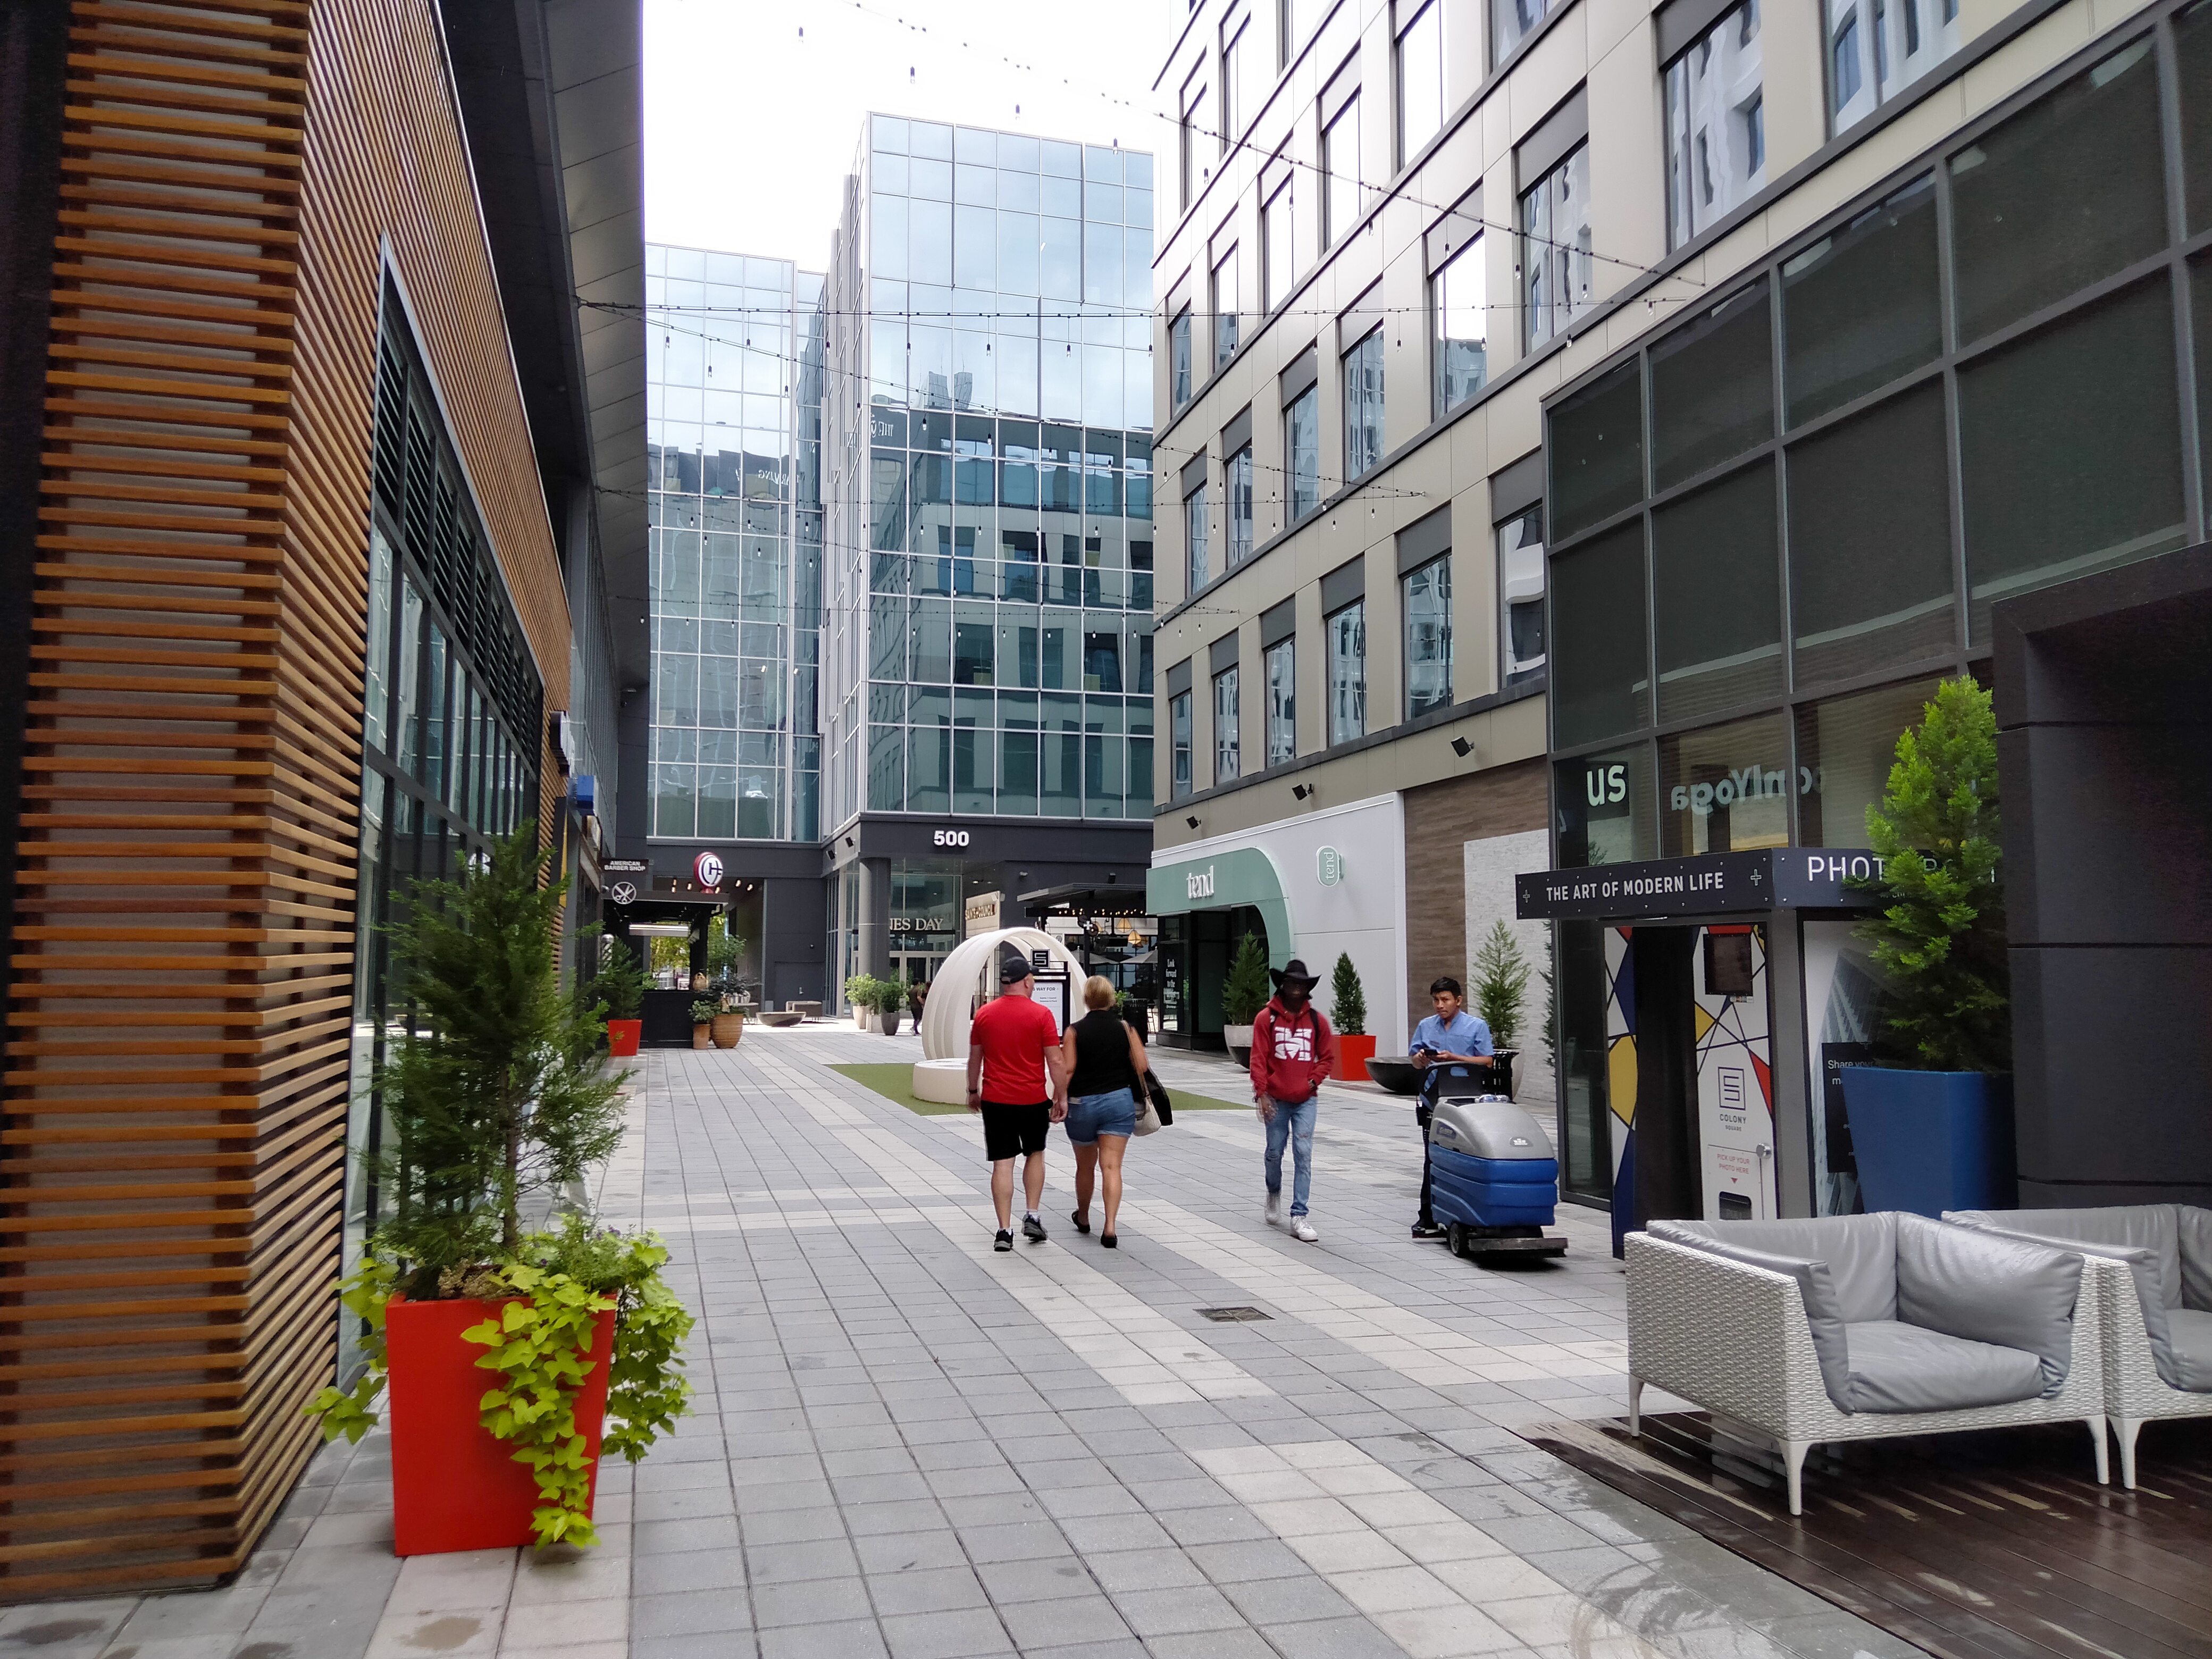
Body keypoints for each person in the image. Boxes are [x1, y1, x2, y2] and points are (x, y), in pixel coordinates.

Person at [967, 957, 1067, 1251]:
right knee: (1035, 1154)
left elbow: (975, 1058)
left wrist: (973, 1090)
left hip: (996, 1100)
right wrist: (1061, 1096)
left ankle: (1004, 1231)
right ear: (1026, 981)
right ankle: (1032, 1215)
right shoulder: (1042, 1015)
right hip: (1032, 1099)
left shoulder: (984, 1014)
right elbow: (1056, 1060)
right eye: (1032, 979)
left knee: (1002, 1163)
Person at [1058, 976, 1151, 1248]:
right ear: (1111, 999)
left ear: (1087, 999)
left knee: (1085, 1166)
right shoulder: (1126, 1028)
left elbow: (1068, 1070)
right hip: (1118, 1102)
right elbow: (1142, 1066)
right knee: (1112, 1167)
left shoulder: (1074, 1031)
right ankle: (1110, 1227)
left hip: (1082, 1104)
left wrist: (1057, 1098)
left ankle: (1084, 1216)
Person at [1249, 957, 1336, 1243]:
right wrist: (1261, 1093)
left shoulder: (1317, 1021)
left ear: (1308, 988)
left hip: (1305, 1100)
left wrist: (1313, 1081)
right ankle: (1273, 1191)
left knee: (1303, 1152)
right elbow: (1258, 1058)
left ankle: (1299, 1214)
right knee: (1274, 1152)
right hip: (1276, 1098)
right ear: (1282, 985)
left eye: (1302, 983)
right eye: (1291, 982)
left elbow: (1327, 1057)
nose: (1297, 987)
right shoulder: (1267, 1018)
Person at [1408, 976, 1496, 1239]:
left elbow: (1487, 1061)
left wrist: (1454, 1058)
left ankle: (1461, 1211)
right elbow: (1414, 1062)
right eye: (1436, 1000)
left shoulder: (1476, 1026)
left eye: (1445, 1000)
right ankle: (1428, 1215)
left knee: (1461, 1157)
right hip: (1433, 1101)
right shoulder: (1426, 1026)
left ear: (1458, 1000)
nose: (1440, 1005)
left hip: (1465, 1103)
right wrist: (1421, 1059)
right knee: (1432, 1157)